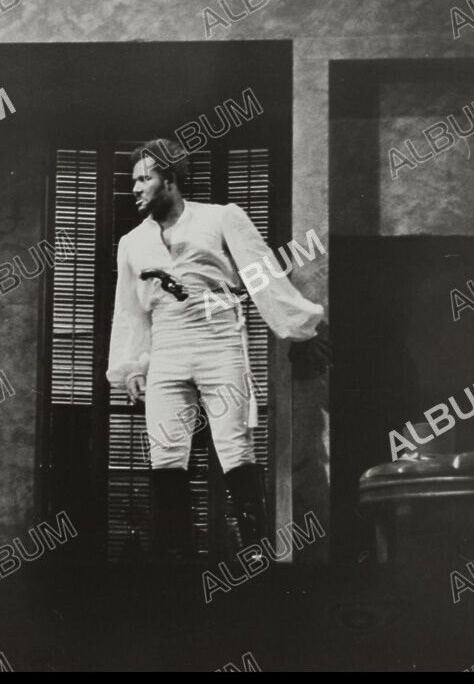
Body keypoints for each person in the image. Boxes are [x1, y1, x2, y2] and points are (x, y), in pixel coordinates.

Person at [107, 139, 331, 560]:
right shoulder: (131, 243)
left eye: (144, 178)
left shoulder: (222, 217)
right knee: (165, 451)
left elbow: (262, 274)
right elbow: (130, 311)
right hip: (166, 349)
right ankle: (177, 559)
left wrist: (303, 326)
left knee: (234, 447)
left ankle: (257, 556)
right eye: (133, 179)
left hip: (219, 343)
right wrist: (132, 366)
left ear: (169, 179)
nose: (135, 188)